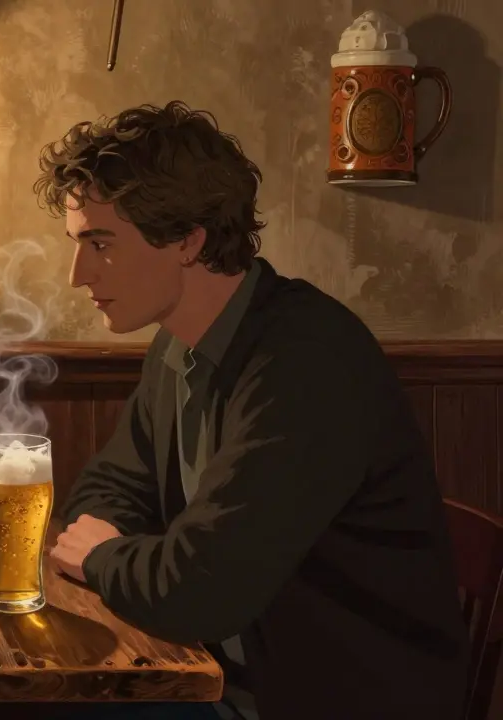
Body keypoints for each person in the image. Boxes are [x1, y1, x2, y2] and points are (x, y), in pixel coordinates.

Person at [35, 102, 469, 719]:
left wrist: (104, 556)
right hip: (222, 676)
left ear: (188, 239)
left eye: (100, 244)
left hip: (327, 699)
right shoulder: (176, 343)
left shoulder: (306, 359)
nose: (78, 274)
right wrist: (124, 550)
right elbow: (107, 488)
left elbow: (201, 589)